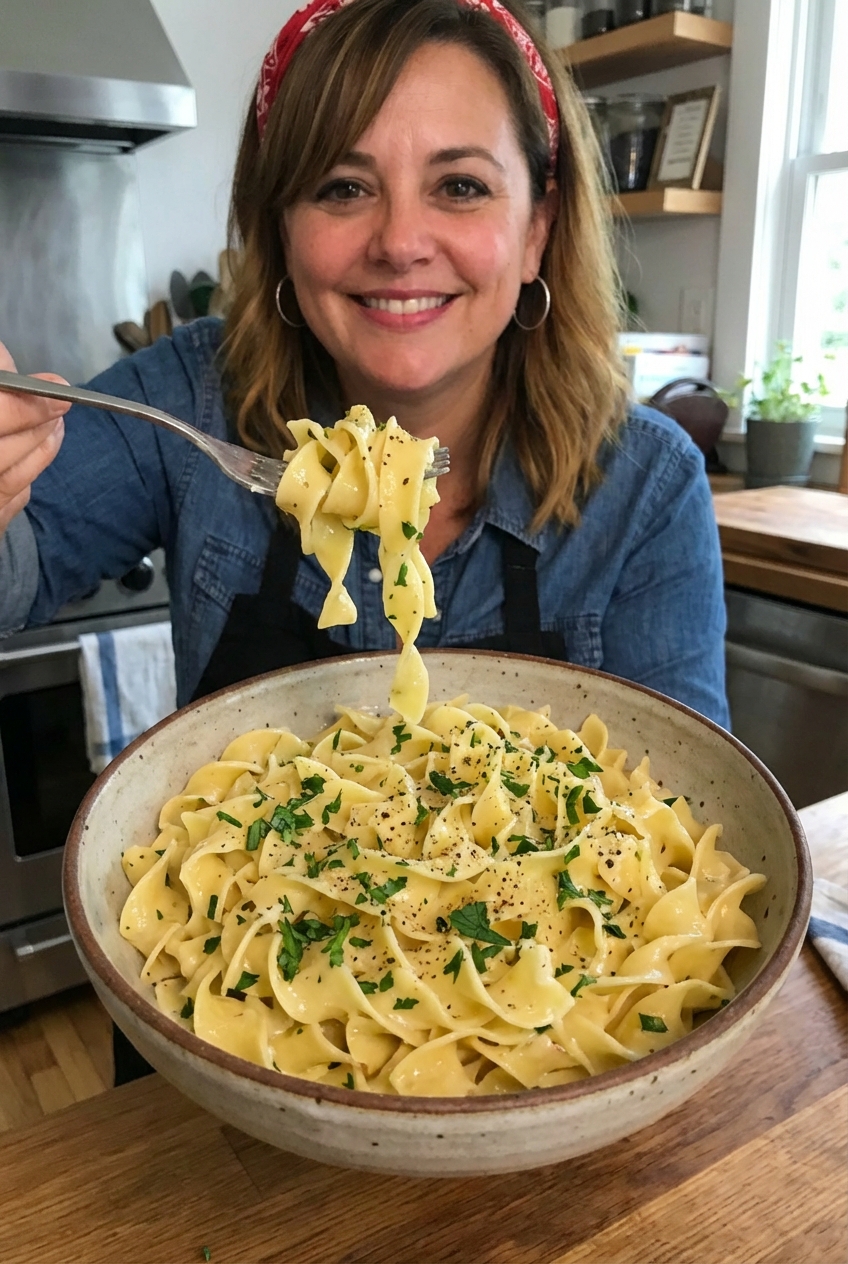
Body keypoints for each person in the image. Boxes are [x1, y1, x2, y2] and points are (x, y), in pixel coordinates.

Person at [0, 0, 727, 1072]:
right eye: (342, 187)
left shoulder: (646, 483)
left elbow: (687, 826)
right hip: (208, 1051)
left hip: (547, 1097)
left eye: (460, 185)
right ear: (280, 229)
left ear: (536, 228)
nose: (398, 241)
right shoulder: (190, 398)